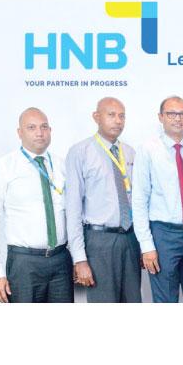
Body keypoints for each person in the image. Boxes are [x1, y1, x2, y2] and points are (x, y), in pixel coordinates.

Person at [0, 108, 72, 303]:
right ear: (19, 133)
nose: (39, 133)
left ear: (50, 130)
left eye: (44, 127)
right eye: (31, 128)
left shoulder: (62, 165)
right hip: (24, 263)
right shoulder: (4, 166)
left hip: (61, 261)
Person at [132, 96, 183, 303]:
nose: (178, 119)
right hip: (164, 235)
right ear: (161, 117)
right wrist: (147, 246)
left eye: (182, 114)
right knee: (165, 299)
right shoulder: (148, 150)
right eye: (172, 114)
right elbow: (139, 199)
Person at [66, 97, 140, 303]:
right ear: (96, 117)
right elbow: (72, 208)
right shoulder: (80, 152)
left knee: (133, 301)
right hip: (100, 241)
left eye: (122, 116)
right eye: (111, 115)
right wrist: (79, 259)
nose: (118, 121)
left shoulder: (130, 152)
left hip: (130, 238)